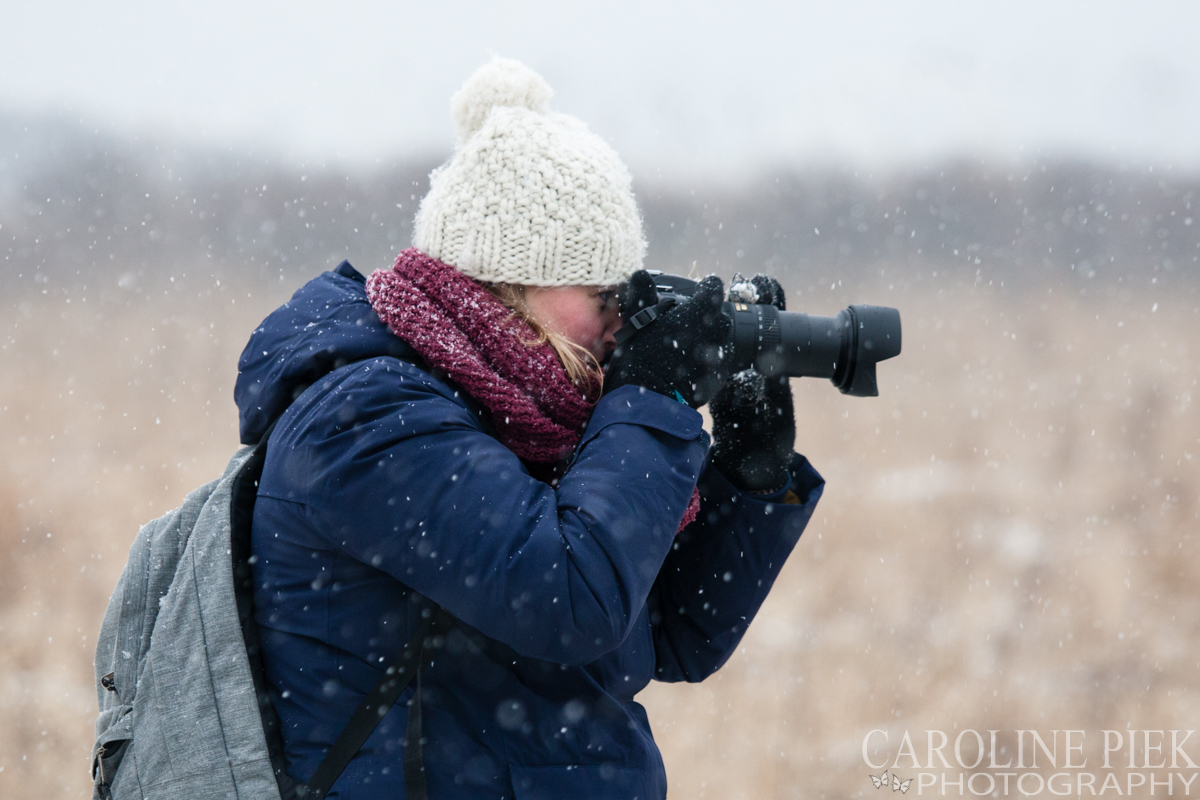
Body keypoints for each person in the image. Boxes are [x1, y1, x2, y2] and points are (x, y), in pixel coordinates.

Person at [236, 58, 823, 800]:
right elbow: (572, 601)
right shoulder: (367, 420)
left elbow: (674, 632)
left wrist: (749, 470)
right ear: (507, 282)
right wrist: (657, 398)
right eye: (604, 293)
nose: (622, 322)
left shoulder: (531, 420)